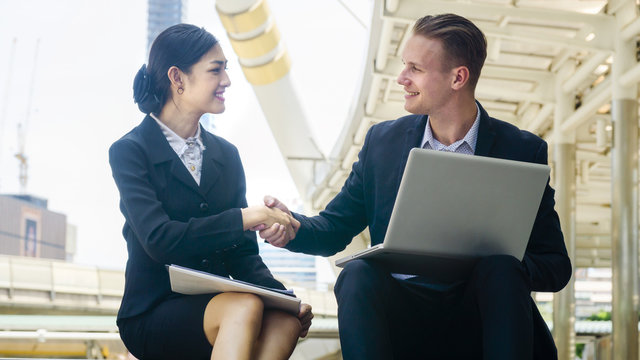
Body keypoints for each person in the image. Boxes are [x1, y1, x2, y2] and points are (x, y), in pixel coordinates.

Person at [258, 13, 571, 360]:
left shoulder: (522, 151)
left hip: (481, 316)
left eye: (415, 69)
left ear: (458, 77)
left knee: (501, 269)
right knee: (358, 273)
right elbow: (335, 227)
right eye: (404, 66)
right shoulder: (383, 142)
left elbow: (555, 265)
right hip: (402, 319)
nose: (401, 78)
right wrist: (293, 228)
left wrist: (502, 264)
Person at [109, 24, 312, 360]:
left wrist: (286, 299)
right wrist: (248, 217)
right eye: (215, 70)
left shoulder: (226, 155)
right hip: (153, 310)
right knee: (243, 307)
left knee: (283, 321)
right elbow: (159, 240)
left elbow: (242, 256)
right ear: (178, 78)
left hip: (222, 306)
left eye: (225, 70)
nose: (227, 81)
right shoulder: (130, 150)